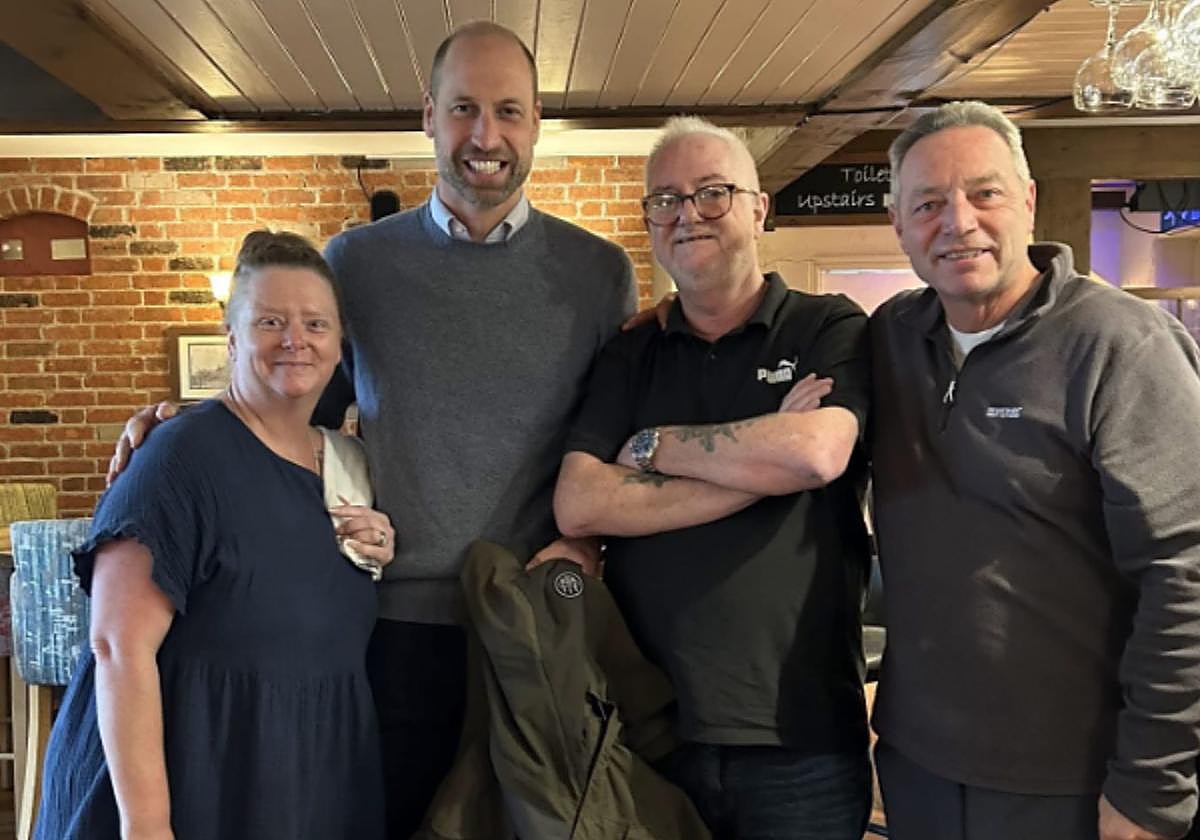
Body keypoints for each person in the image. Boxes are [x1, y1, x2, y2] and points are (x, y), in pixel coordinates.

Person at [110, 21, 636, 838]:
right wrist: (186, 427)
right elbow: (295, 409)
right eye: (463, 108)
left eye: (508, 110)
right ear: (428, 115)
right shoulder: (357, 263)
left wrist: (595, 546)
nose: (486, 135)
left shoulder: (600, 273)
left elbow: (614, 440)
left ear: (538, 120)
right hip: (390, 629)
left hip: (535, 630)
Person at [870, 100, 1200, 840]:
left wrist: (1152, 785)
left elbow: (1186, 574)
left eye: (983, 193)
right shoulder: (891, 337)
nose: (957, 222)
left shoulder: (1121, 345)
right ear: (899, 224)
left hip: (1074, 782)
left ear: (1027, 199)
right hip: (917, 765)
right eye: (927, 203)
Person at [552, 116, 873, 840]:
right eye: (664, 199)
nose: (686, 214)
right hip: (650, 731)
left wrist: (651, 445)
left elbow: (819, 455)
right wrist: (765, 465)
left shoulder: (829, 327)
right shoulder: (632, 353)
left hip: (804, 741)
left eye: (712, 193)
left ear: (760, 209)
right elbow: (578, 503)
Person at [36, 231, 395, 840]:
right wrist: (147, 826)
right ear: (230, 339)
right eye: (271, 321)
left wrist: (380, 540)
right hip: (194, 778)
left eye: (315, 324)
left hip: (308, 776)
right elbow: (118, 648)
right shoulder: (179, 456)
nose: (295, 340)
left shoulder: (348, 465)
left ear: (340, 348)